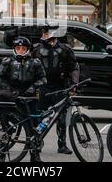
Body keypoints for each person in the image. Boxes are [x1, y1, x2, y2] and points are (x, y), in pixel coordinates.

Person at [0, 36, 47, 162]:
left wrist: (33, 87)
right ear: (14, 49)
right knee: (7, 128)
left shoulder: (35, 62)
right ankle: (3, 153)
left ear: (27, 49)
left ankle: (34, 155)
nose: (21, 50)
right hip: (12, 98)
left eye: (23, 48)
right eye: (18, 48)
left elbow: (43, 79)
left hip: (29, 98)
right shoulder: (7, 61)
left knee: (33, 128)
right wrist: (10, 91)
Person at [32, 27, 80, 155]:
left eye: (47, 32)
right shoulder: (36, 49)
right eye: (44, 32)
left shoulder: (65, 49)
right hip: (42, 88)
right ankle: (37, 142)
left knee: (62, 118)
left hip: (60, 87)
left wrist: (74, 85)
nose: (45, 35)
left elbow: (73, 67)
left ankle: (62, 145)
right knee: (40, 117)